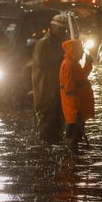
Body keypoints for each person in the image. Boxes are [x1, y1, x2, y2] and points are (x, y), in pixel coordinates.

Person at [32, 13, 71, 144]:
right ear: (52, 27)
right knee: (47, 121)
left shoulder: (62, 42)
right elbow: (43, 62)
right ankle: (44, 146)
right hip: (46, 89)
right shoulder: (43, 44)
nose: (62, 32)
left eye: (63, 30)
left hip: (59, 89)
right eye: (59, 29)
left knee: (58, 121)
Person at [59, 39, 94, 153]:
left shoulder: (73, 63)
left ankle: (73, 153)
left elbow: (82, 76)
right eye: (80, 51)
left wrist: (88, 64)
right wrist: (76, 110)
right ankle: (72, 154)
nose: (82, 53)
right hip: (74, 106)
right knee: (74, 131)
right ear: (73, 51)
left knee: (77, 130)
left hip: (77, 105)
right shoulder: (69, 65)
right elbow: (70, 90)